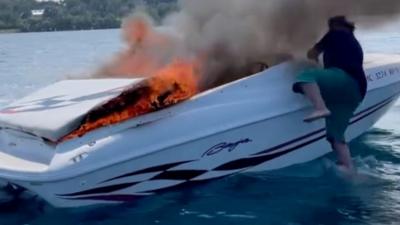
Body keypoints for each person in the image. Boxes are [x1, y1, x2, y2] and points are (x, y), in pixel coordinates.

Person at [293, 16, 367, 172]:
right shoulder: (353, 42)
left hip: (344, 80)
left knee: (306, 76)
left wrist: (313, 59)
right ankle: (348, 168)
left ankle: (320, 108)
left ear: (334, 25)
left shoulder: (336, 33)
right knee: (336, 135)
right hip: (357, 91)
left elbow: (311, 53)